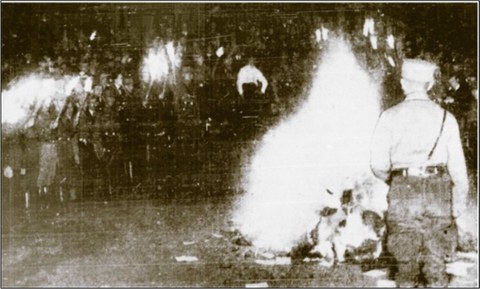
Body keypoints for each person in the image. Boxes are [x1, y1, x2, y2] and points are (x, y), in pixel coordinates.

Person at [370, 59, 469, 287]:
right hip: (439, 190)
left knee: (405, 266)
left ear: (404, 84)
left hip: (404, 191)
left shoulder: (389, 116)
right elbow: (459, 171)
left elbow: (377, 163)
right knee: (436, 264)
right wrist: (458, 203)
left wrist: (397, 180)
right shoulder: (447, 118)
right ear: (428, 85)